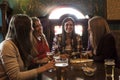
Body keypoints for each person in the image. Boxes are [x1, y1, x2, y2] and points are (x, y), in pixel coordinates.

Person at [0, 14, 54, 80]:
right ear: (24, 31)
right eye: (31, 26)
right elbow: (15, 77)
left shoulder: (21, 44)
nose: (32, 29)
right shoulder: (7, 45)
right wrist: (45, 67)